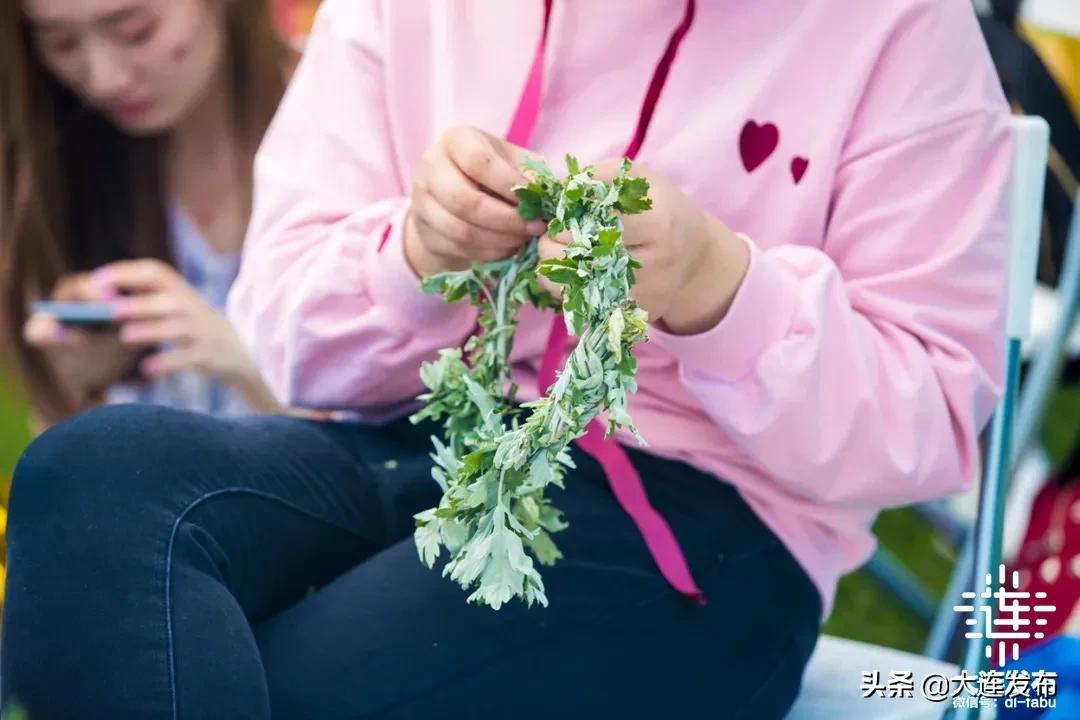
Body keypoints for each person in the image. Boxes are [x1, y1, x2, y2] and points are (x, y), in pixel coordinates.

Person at [1, 1, 1014, 717]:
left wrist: (722, 291)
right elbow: (281, 327)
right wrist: (414, 256)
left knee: (262, 680)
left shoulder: (899, 30)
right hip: (421, 441)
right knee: (92, 481)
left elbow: (930, 422)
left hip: (705, 528)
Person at [0, 0, 294, 428]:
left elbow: (402, 459)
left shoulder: (352, 122)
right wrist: (79, 385)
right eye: (60, 43)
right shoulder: (61, 169)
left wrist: (246, 366)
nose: (104, 80)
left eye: (136, 31)